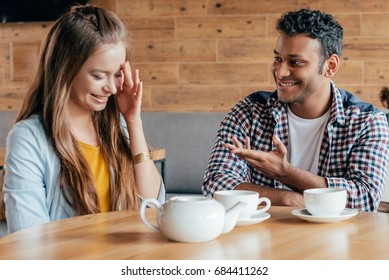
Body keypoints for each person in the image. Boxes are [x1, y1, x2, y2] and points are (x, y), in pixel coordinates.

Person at [0, 4, 165, 236]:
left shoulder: (118, 126)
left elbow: (153, 205)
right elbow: (28, 240)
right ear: (66, 69)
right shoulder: (28, 138)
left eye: (117, 75)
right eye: (98, 76)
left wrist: (133, 121)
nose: (110, 87)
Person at [202, 8, 389, 212]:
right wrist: (291, 200)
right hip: (263, 238)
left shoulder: (367, 122)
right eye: (278, 59)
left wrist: (285, 173)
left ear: (330, 66)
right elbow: (215, 185)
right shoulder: (249, 112)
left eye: (295, 62)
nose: (280, 72)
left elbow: (365, 199)